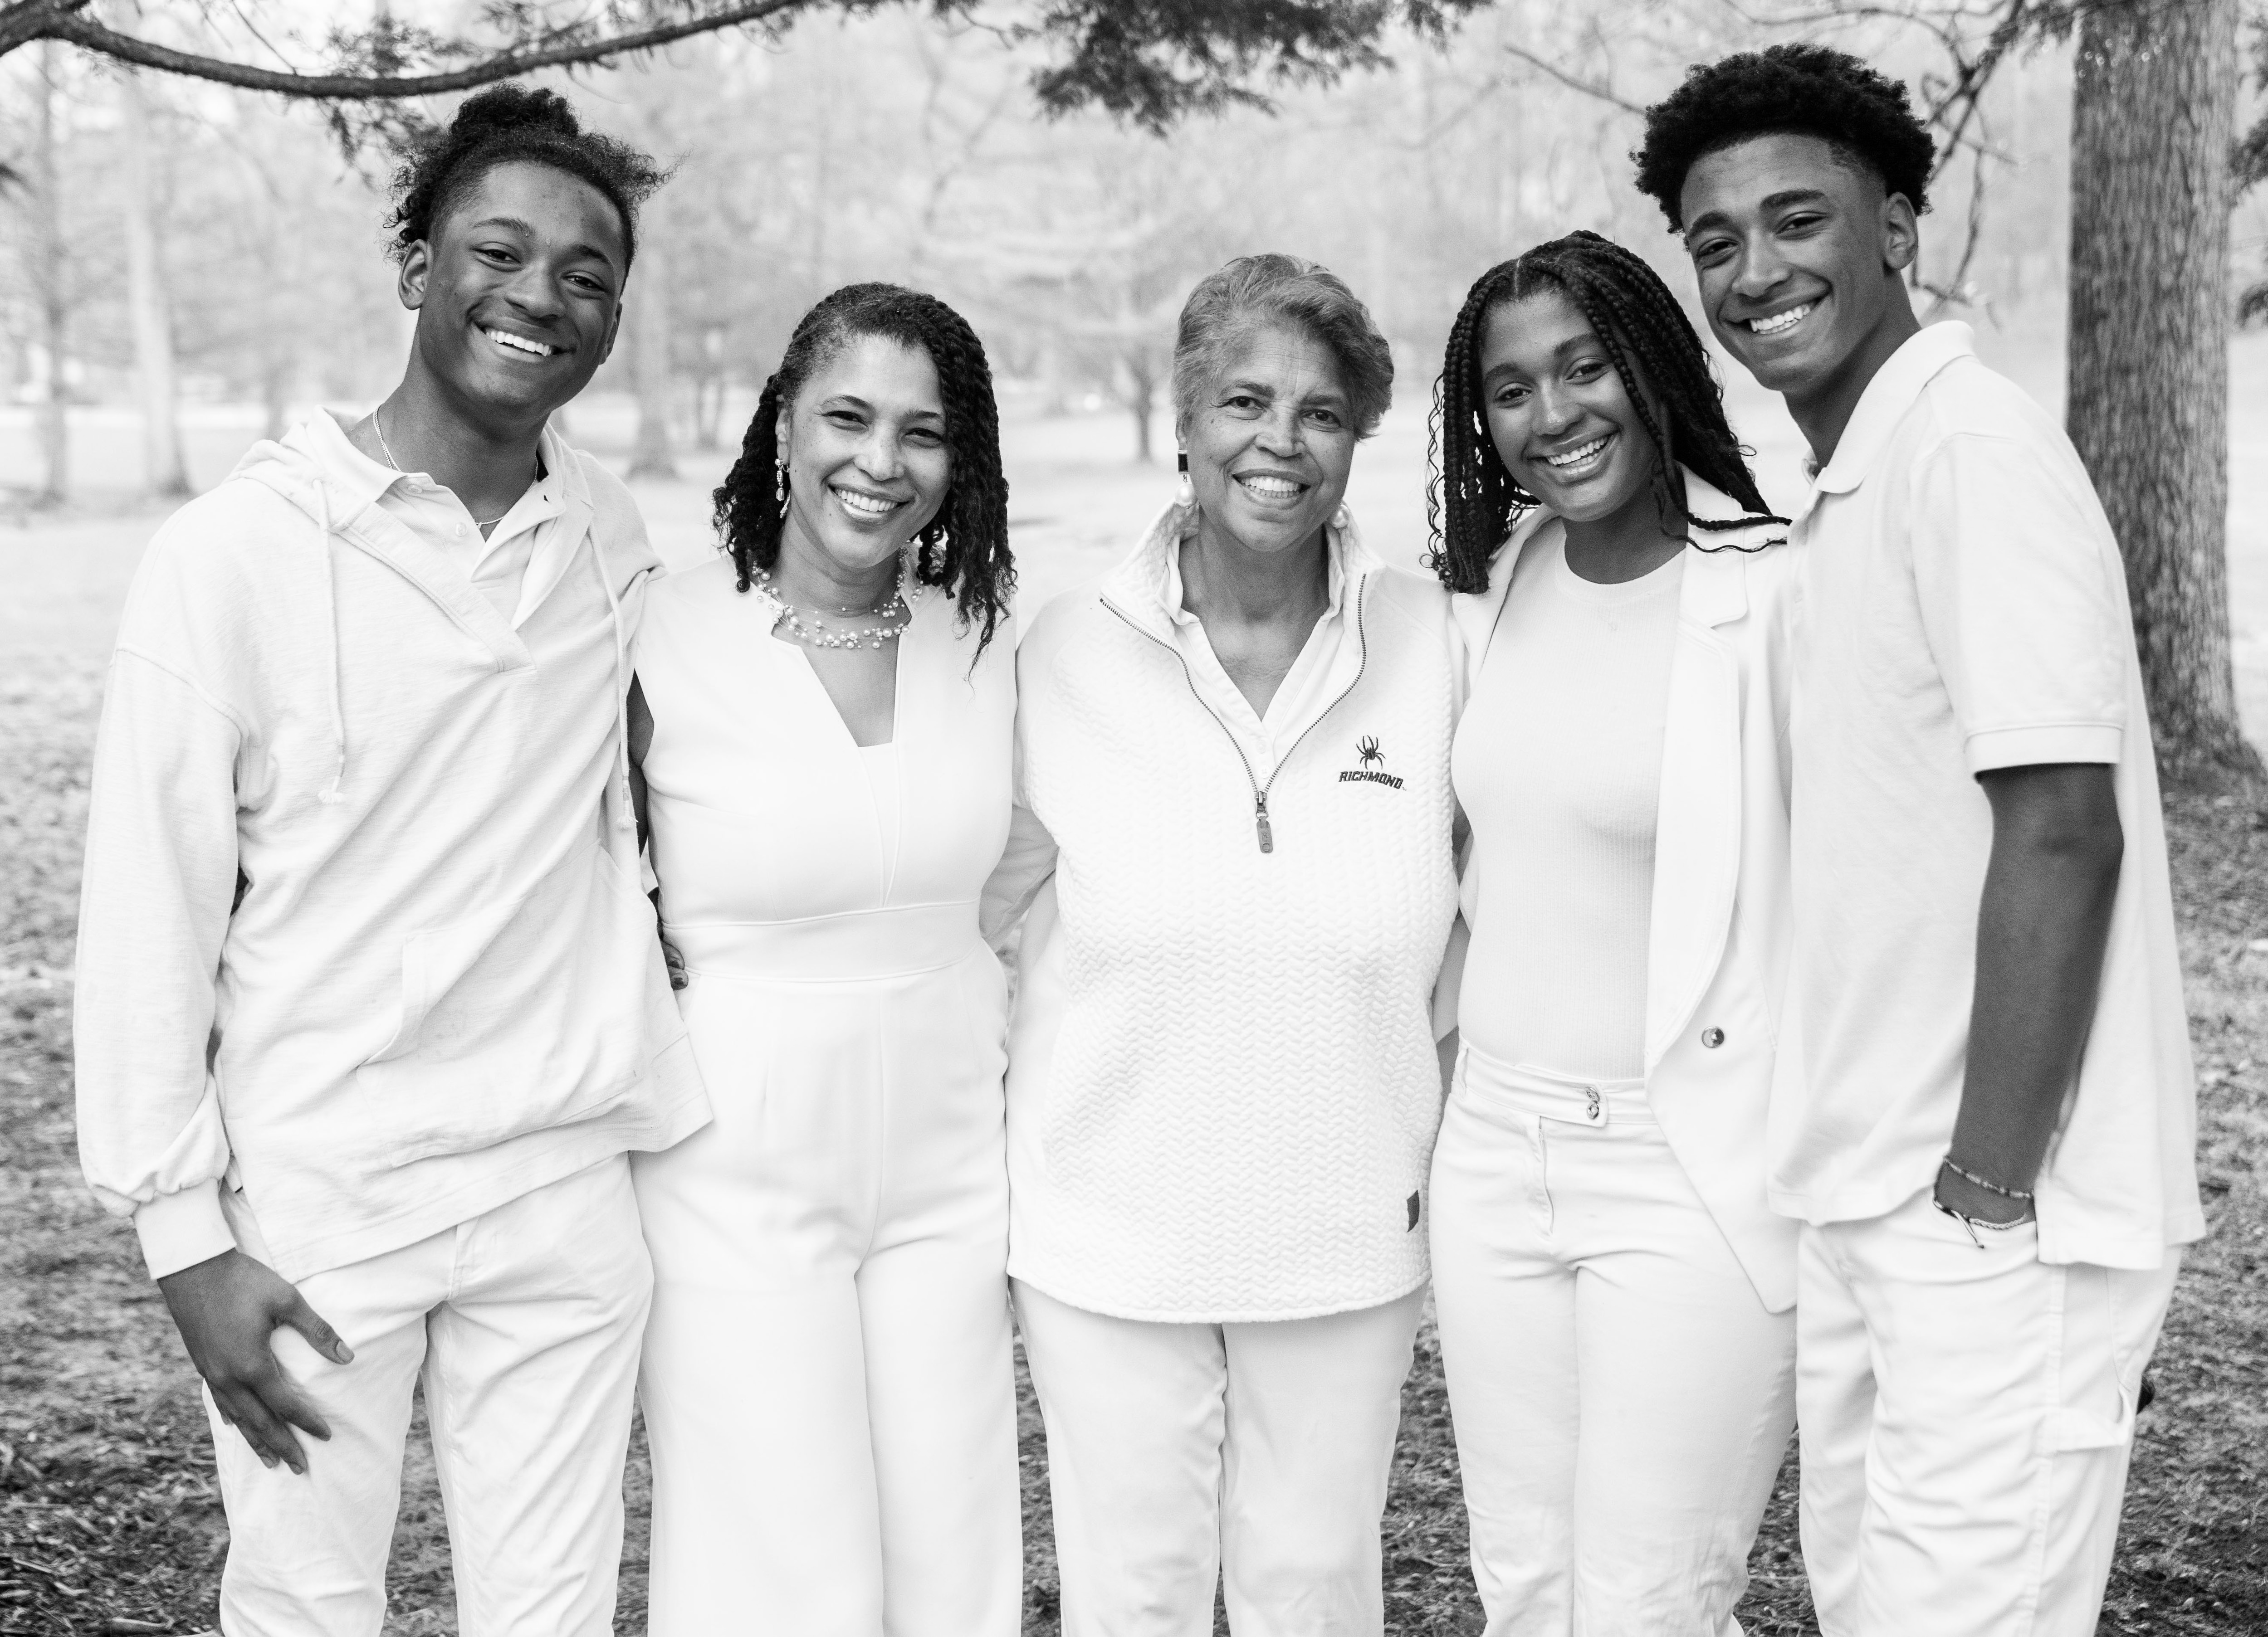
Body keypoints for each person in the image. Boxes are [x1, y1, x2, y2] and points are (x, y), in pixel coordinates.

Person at [73, 87, 704, 1637]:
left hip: (562, 1185)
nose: (541, 295)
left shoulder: (609, 535)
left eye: (587, 274)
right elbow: (146, 913)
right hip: (322, 1200)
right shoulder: (234, 554)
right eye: (499, 251)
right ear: (418, 265)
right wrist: (185, 1243)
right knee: (305, 1607)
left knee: (554, 1615)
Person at [1635, 43, 2203, 1637]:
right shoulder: (1852, 480)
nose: (1755, 271)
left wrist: (1987, 1185)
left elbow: (2065, 828)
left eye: (1797, 219)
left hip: (1987, 1209)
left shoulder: (1969, 451)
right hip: (1872, 1196)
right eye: (1716, 241)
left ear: (1894, 227)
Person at [982, 253, 1459, 1636]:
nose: (1280, 441)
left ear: (1358, 438)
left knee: (1315, 1592)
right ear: (1185, 421)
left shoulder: (1435, 643)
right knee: (1133, 1596)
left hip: (1346, 1234)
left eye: (1322, 412)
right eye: (1246, 402)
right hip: (1107, 1242)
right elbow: (978, 918)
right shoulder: (1062, 653)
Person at [627, 283, 1022, 1636]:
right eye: (848, 418)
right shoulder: (660, 632)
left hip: (953, 1162)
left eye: (924, 432)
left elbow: (1025, 869)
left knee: (952, 1539)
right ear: (783, 425)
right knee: (778, 1559)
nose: (880, 461)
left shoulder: (986, 639)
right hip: (735, 1163)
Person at [1426, 229, 1799, 1637]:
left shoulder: (1775, 589)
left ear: (1651, 366)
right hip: (1493, 1148)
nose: (1553, 413)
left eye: (1584, 367)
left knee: (1650, 1601)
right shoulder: (1503, 580)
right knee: (1525, 1584)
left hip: (1685, 1159)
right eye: (1512, 388)